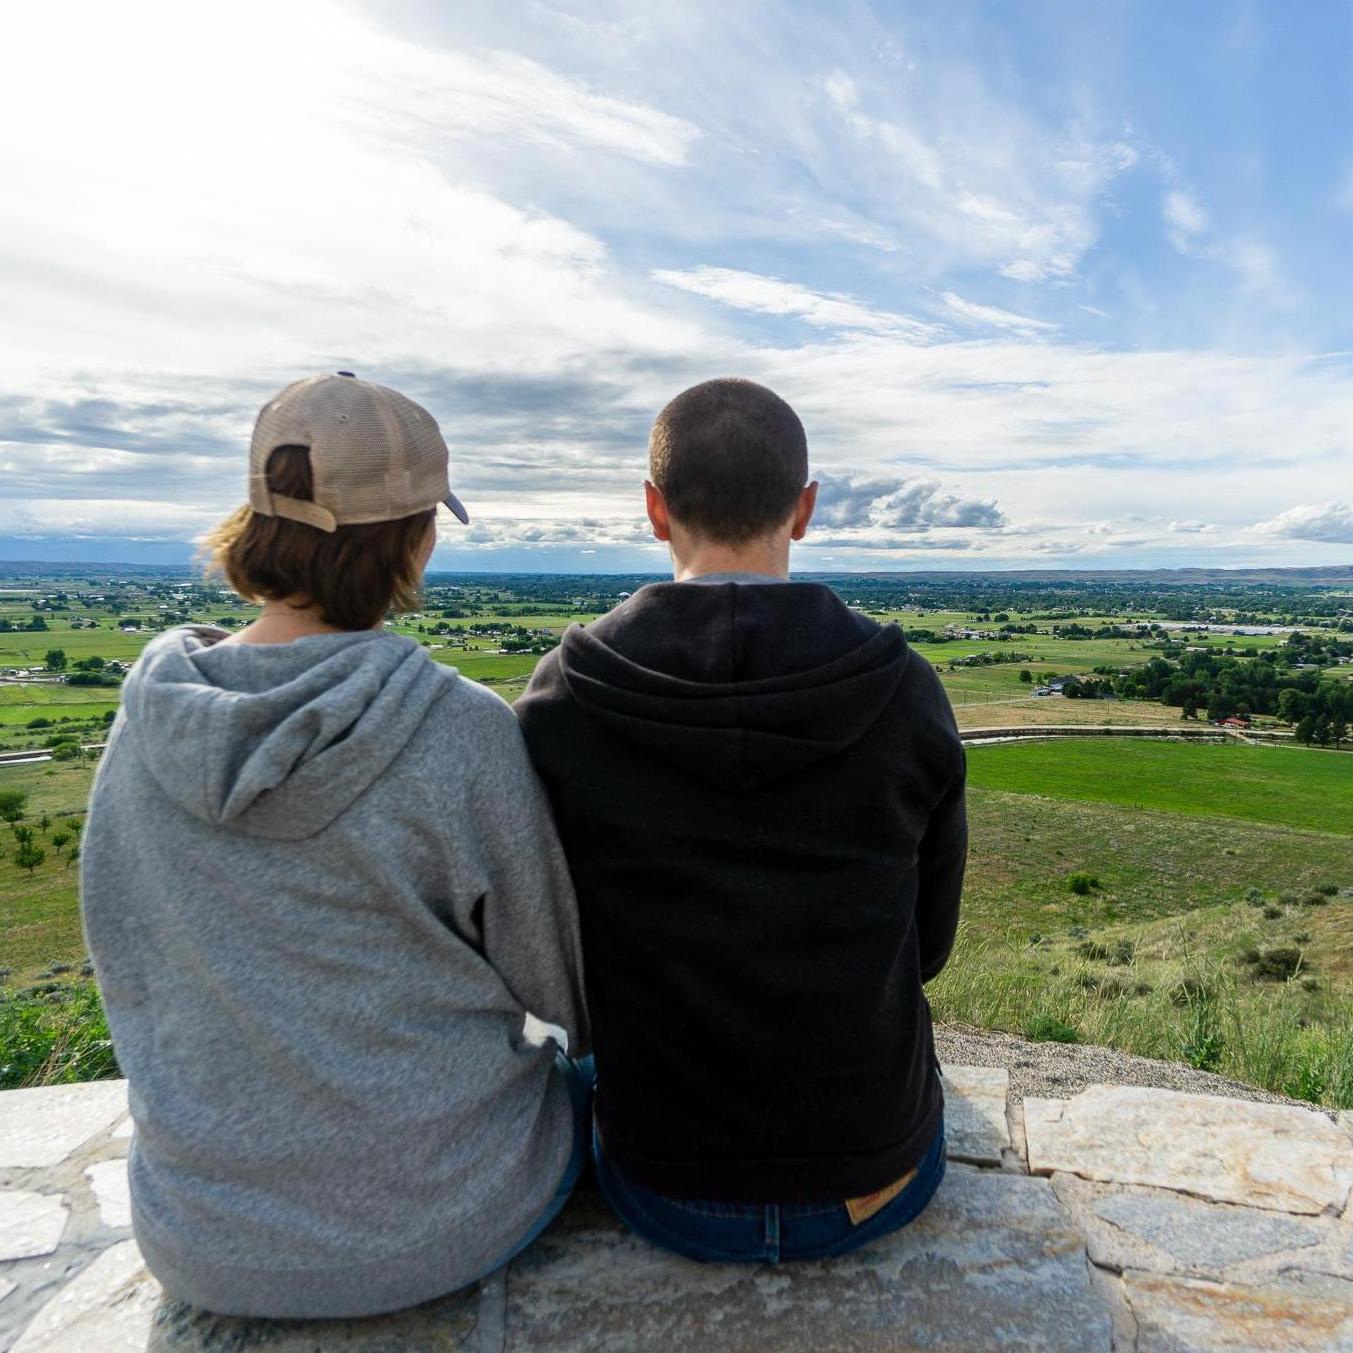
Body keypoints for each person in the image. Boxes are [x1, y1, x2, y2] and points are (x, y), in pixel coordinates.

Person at [81, 372, 589, 1318]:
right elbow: (559, 987)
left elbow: (123, 951)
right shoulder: (457, 727)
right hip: (448, 1218)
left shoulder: (145, 724)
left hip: (202, 1239)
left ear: (254, 521)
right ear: (413, 538)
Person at [516, 377, 966, 1264]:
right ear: (803, 509)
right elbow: (931, 944)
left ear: (653, 509)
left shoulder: (563, 700)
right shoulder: (905, 690)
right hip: (876, 1177)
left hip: (661, 1179)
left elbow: (549, 949)